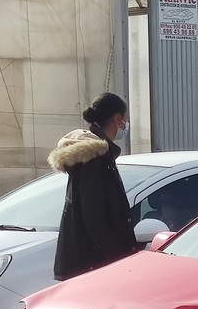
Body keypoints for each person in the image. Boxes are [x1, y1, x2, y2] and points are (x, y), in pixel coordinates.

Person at [48, 92, 137, 281]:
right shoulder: (94, 158)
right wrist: (115, 259)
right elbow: (94, 215)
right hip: (93, 267)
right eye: (125, 120)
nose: (125, 126)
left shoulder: (97, 156)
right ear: (117, 119)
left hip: (86, 264)